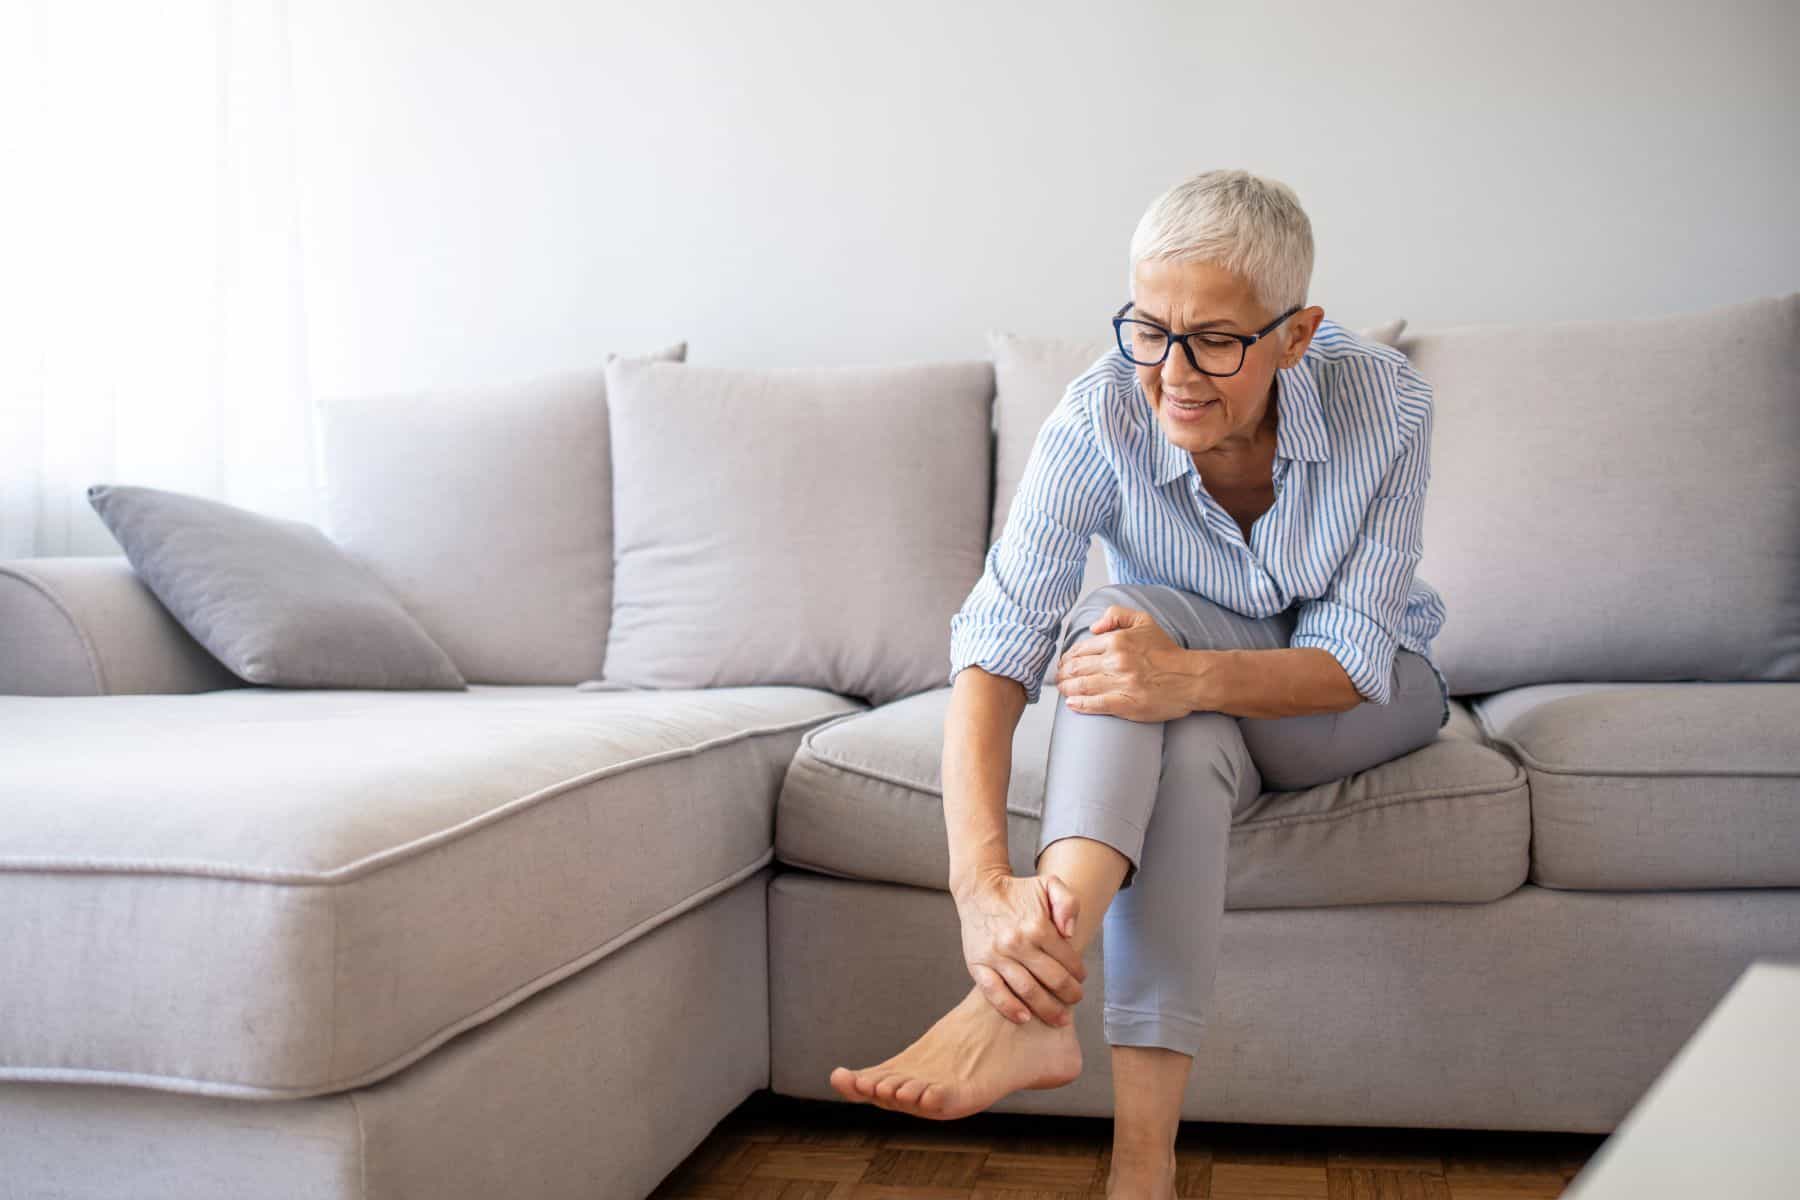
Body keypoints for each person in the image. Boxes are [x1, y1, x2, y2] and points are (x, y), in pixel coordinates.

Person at [828, 168, 1450, 1200]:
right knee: (1183, 732)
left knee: (1124, 628)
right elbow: (994, 648)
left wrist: (1181, 670)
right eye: (1150, 329)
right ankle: (1141, 1168)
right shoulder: (1096, 415)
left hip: (1362, 703)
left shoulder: (1386, 401)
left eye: (1215, 339)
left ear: (1296, 336)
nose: (1172, 372)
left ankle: (1014, 1013)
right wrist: (981, 895)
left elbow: (1352, 661)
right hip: (1207, 722)